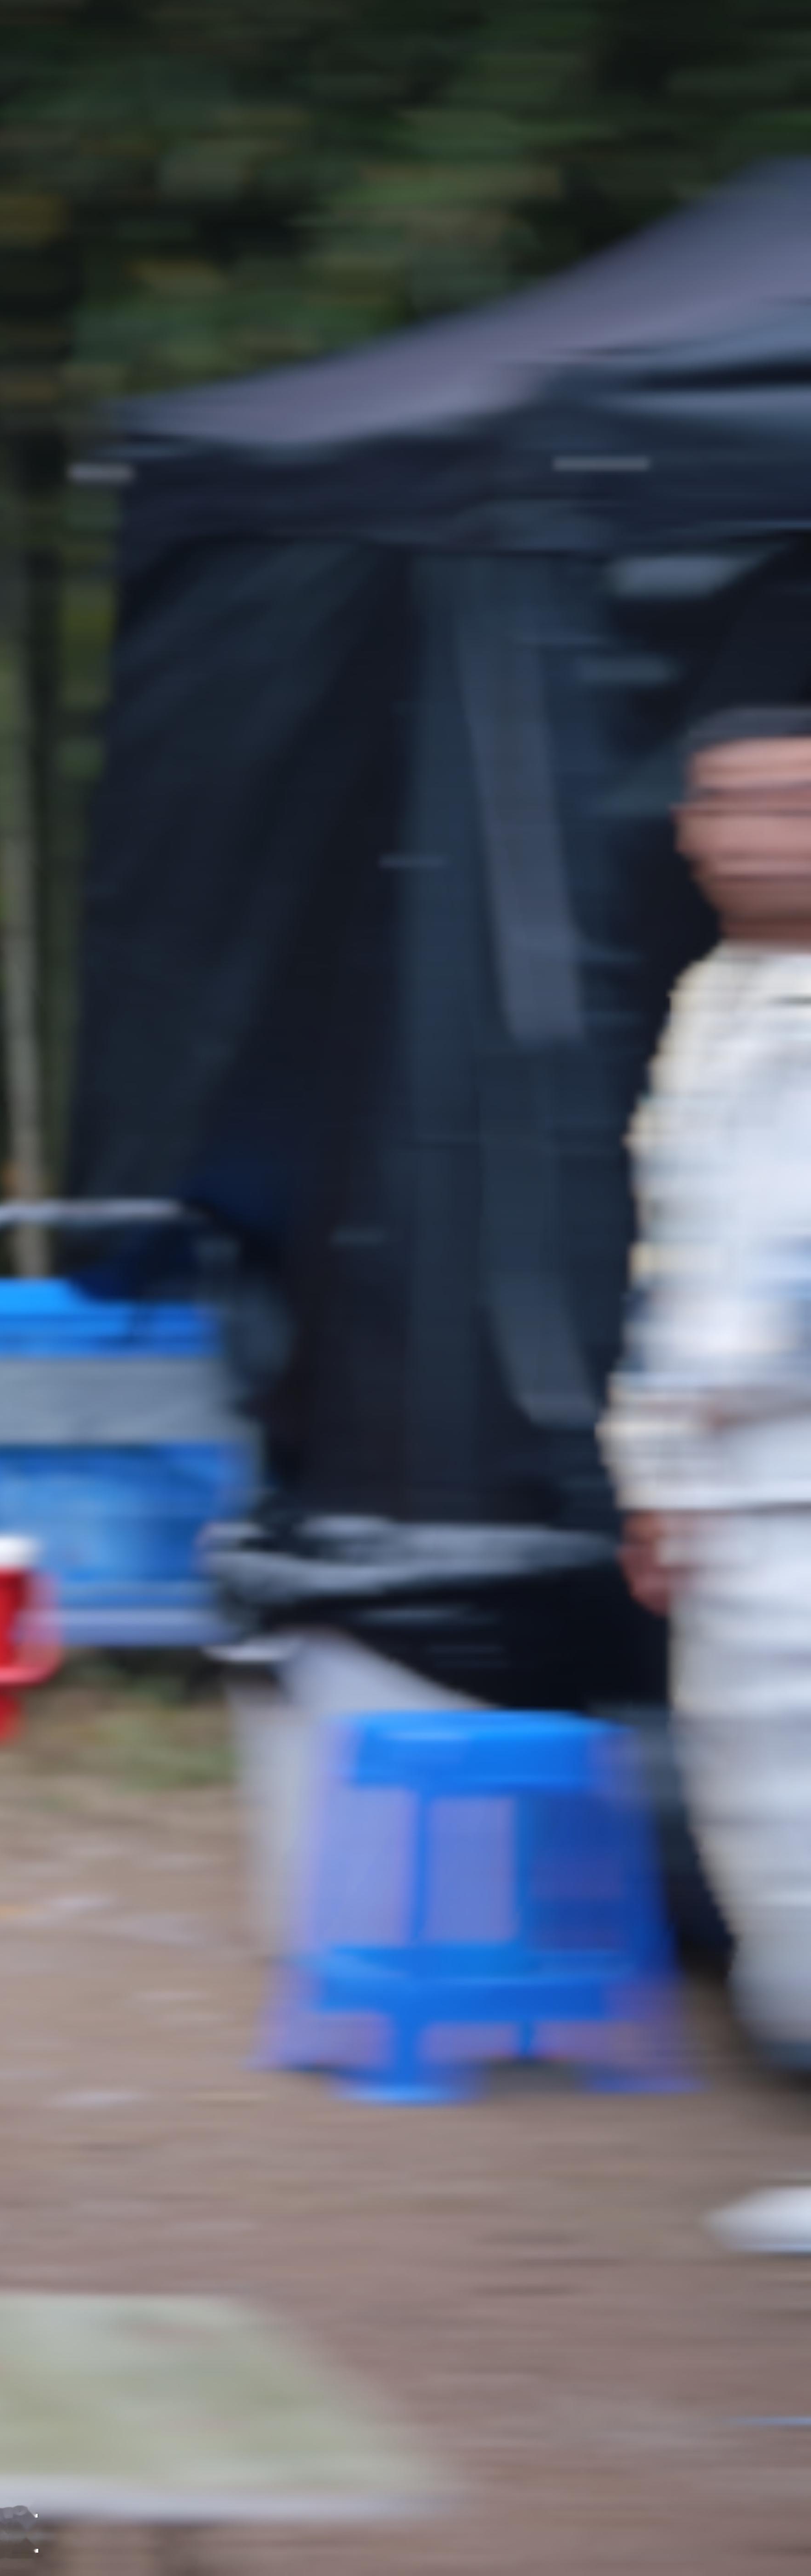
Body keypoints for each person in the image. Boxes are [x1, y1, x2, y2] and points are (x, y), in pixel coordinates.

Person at [603, 705, 811, 2057]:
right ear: (687, 829)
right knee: (759, 1797)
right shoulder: (711, 1001)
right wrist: (658, 1469)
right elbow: (676, 1261)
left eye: (795, 804)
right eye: (731, 802)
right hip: (731, 1492)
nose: (760, 834)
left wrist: (723, 1390)